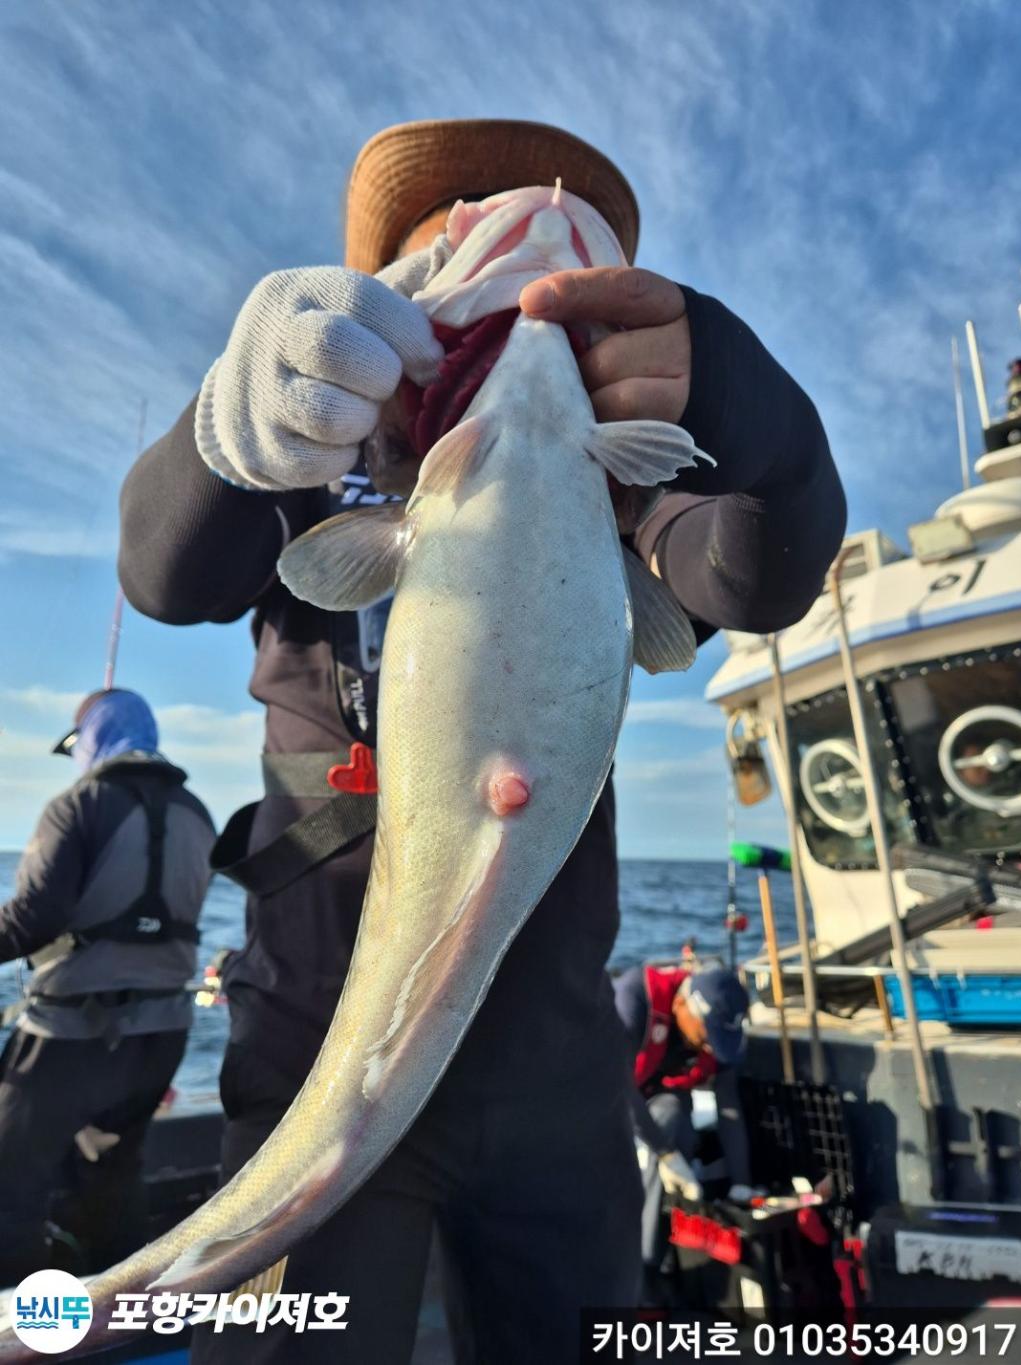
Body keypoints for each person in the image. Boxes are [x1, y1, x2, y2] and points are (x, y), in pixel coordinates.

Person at [118, 118, 846, 1364]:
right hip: (308, 1044)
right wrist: (220, 429)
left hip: (554, 1078)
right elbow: (162, 572)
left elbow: (757, 569)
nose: (517, 220)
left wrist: (733, 390)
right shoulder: (308, 470)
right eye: (451, 226)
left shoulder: (621, 488)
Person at [0, 689, 215, 1284]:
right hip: (161, 1038)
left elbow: (30, 921)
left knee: (9, 1184)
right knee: (115, 1176)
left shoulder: (78, 805)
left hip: (71, 1036)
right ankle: (118, 1318)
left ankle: (23, 1336)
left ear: (91, 739)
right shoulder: (197, 811)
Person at [613, 962, 752, 1287]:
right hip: (602, 1099)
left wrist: (742, 1184)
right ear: (681, 1004)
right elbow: (615, 1083)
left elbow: (729, 1107)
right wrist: (665, 1154)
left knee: (678, 1122)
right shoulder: (635, 999)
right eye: (706, 1036)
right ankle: (640, 1272)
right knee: (662, 1130)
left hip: (658, 1099)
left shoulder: (717, 1044)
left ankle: (662, 1256)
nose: (708, 1048)